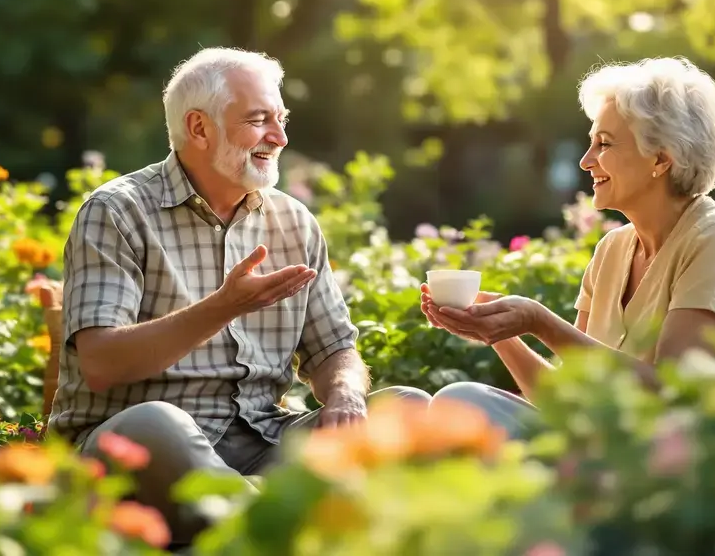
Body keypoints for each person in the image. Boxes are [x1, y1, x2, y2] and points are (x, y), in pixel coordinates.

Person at [47, 47, 430, 548]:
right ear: (199, 128)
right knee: (155, 423)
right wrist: (223, 307)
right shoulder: (116, 212)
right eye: (258, 120)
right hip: (145, 448)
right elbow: (102, 363)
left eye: (281, 119)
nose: (280, 137)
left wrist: (346, 395)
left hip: (266, 443)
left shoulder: (293, 221)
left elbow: (335, 349)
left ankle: (257, 522)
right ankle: (289, 525)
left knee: (408, 408)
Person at [421, 57, 715, 433]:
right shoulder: (612, 249)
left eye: (603, 144)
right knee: (405, 401)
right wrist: (501, 334)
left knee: (457, 400)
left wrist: (540, 322)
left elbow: (673, 394)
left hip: (677, 456)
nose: (585, 161)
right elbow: (566, 400)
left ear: (660, 158)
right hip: (598, 448)